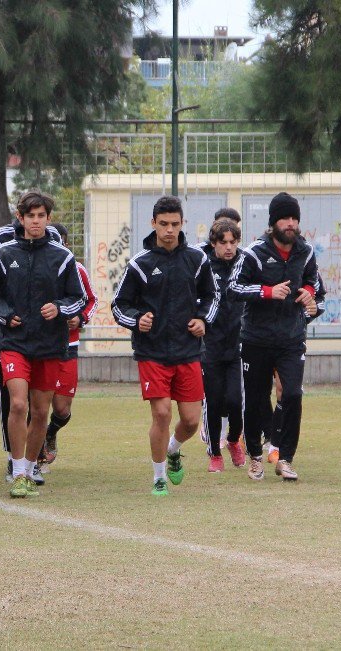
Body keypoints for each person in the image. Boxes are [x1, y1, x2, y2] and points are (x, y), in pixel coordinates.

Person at [0, 191, 87, 498]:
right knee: (18, 403)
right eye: (31, 216)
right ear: (21, 218)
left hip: (50, 345)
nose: (36, 221)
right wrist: (5, 315)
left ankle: (29, 468)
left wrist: (60, 308)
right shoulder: (4, 254)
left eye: (41, 216)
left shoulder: (62, 257)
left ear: (48, 219)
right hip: (14, 342)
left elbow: (78, 297)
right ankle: (16, 470)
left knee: (41, 411)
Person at [111, 195, 219, 496]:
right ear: (153, 224)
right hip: (153, 352)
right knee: (161, 414)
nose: (169, 230)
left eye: (174, 224)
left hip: (187, 351)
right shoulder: (140, 264)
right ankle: (159, 476)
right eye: (163, 224)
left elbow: (212, 297)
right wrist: (136, 320)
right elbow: (119, 305)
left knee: (191, 420)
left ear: (182, 223)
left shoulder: (197, 260)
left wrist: (202, 321)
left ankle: (173, 450)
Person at [228, 192, 322, 482]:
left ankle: (285, 458)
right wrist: (266, 292)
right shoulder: (254, 253)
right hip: (256, 338)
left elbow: (315, 284)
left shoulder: (305, 252)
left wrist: (310, 295)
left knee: (293, 394)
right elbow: (233, 288)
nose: (291, 224)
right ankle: (255, 456)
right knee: (256, 399)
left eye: (295, 218)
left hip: (291, 338)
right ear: (273, 223)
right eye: (285, 218)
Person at [41, 222, 98, 475]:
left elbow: (92, 301)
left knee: (62, 409)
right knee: (38, 404)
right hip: (40, 346)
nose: (59, 247)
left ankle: (52, 432)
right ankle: (35, 458)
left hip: (68, 345)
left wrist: (80, 318)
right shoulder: (36, 265)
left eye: (62, 242)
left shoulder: (77, 269)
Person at [200, 217, 247, 472]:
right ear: (214, 243)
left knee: (236, 401)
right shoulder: (204, 267)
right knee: (214, 401)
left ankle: (233, 440)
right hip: (210, 346)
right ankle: (214, 454)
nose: (228, 247)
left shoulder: (245, 263)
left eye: (233, 241)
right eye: (223, 242)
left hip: (238, 345)